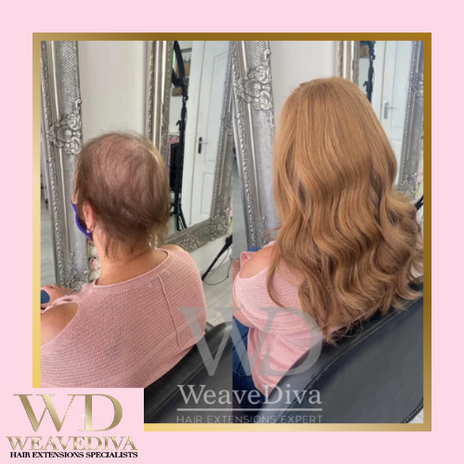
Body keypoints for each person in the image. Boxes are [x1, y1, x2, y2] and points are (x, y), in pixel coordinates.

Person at [232, 77, 423, 402]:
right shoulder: (404, 229)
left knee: (233, 329)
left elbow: (241, 314)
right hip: (358, 371)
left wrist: (244, 277)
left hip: (283, 396)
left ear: (291, 167)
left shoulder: (262, 280)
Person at [41, 133, 207, 388]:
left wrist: (61, 312)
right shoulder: (182, 260)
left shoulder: (53, 328)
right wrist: (69, 302)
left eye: (75, 191)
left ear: (88, 213)